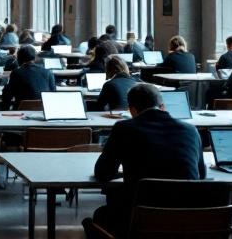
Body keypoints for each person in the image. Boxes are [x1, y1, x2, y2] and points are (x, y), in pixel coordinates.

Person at [86, 83, 205, 238]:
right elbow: (200, 176)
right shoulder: (191, 130)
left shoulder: (124, 128)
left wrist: (123, 172)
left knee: (101, 214)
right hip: (186, 219)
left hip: (141, 218)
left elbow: (102, 173)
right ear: (162, 106)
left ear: (132, 110)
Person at [2, 45, 56, 110]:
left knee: (6, 90)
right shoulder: (48, 72)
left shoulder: (16, 73)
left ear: (19, 59)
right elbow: (53, 93)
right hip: (43, 109)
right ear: (34, 57)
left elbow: (9, 94)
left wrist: (5, 109)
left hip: (21, 110)